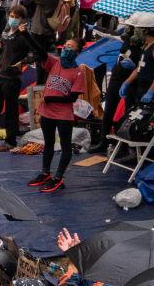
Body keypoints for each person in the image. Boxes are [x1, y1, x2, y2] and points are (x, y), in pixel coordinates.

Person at [27, 37, 101, 194]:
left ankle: (59, 177)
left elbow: (71, 98)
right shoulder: (55, 63)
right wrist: (27, 34)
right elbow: (40, 51)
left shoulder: (78, 72)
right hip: (47, 112)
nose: (67, 49)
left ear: (77, 52)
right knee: (48, 143)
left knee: (65, 146)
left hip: (63, 114)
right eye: (66, 46)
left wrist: (50, 98)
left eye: (71, 47)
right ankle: (45, 173)